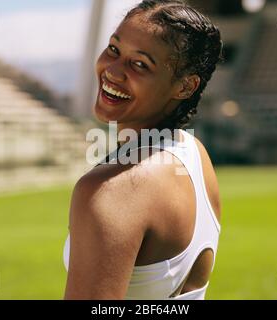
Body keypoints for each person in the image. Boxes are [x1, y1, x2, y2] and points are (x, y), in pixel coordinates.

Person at [63, 0, 223, 300]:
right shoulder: (194, 154)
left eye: (140, 64)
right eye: (113, 49)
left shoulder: (109, 190)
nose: (112, 71)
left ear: (185, 87)